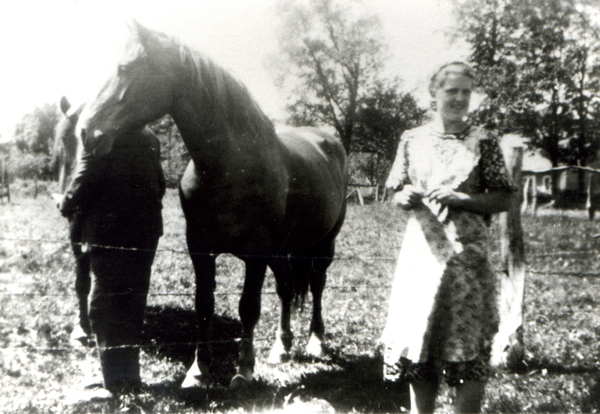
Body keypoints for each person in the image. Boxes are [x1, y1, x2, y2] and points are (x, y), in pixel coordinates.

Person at [380, 62, 516, 413]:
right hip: (421, 257)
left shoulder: (482, 142)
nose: (458, 99)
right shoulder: (412, 139)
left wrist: (463, 199)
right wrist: (403, 196)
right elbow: (395, 187)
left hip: (467, 260)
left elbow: (504, 197)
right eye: (451, 91)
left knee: (467, 345)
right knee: (419, 342)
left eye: (465, 93)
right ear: (434, 93)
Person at [60, 126, 166, 397]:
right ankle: (130, 377)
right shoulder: (150, 136)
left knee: (104, 305)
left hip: (109, 232)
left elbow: (80, 184)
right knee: (133, 301)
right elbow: (161, 184)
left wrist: (65, 202)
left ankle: (113, 383)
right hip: (146, 231)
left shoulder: (97, 133)